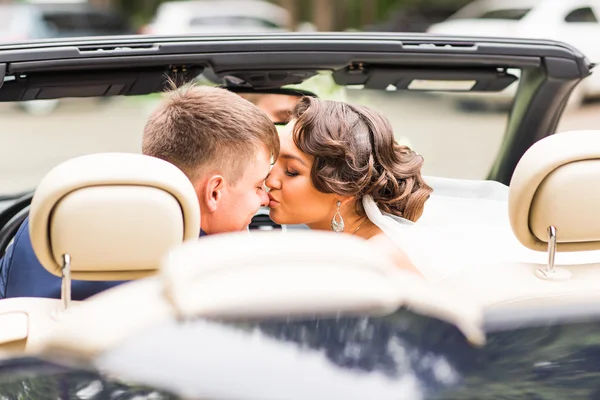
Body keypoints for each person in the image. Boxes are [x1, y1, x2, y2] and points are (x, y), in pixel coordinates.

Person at [0, 84, 279, 300]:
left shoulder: (40, 228)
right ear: (214, 192)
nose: (265, 198)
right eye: (258, 186)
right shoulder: (217, 276)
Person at [265, 96, 433, 278]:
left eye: (291, 171)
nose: (269, 181)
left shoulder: (377, 259)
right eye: (273, 160)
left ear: (344, 188)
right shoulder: (344, 246)